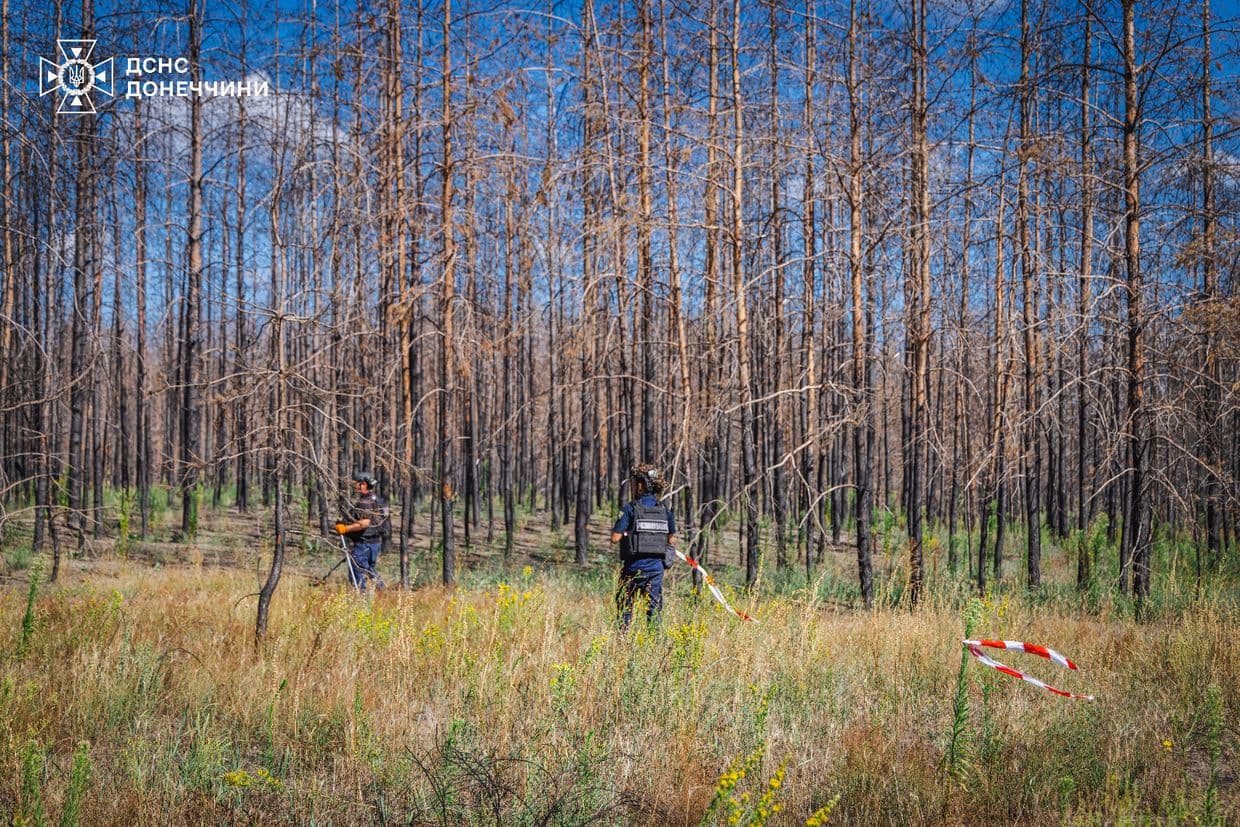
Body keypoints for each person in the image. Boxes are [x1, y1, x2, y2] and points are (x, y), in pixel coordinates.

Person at [611, 463, 676, 629]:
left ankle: (623, 640)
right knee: (653, 613)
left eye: (634, 483)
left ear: (641, 485)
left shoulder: (630, 509)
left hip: (633, 569)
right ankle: (654, 643)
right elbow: (671, 541)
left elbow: (615, 538)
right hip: (656, 571)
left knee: (625, 610)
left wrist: (628, 533)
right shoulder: (665, 510)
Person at [335, 471, 389, 593]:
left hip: (364, 544)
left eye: (356, 483)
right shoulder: (378, 500)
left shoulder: (365, 502)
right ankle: (382, 593)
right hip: (375, 543)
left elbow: (365, 523)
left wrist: (345, 529)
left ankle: (361, 596)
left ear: (363, 484)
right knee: (369, 569)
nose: (354, 485)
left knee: (357, 570)